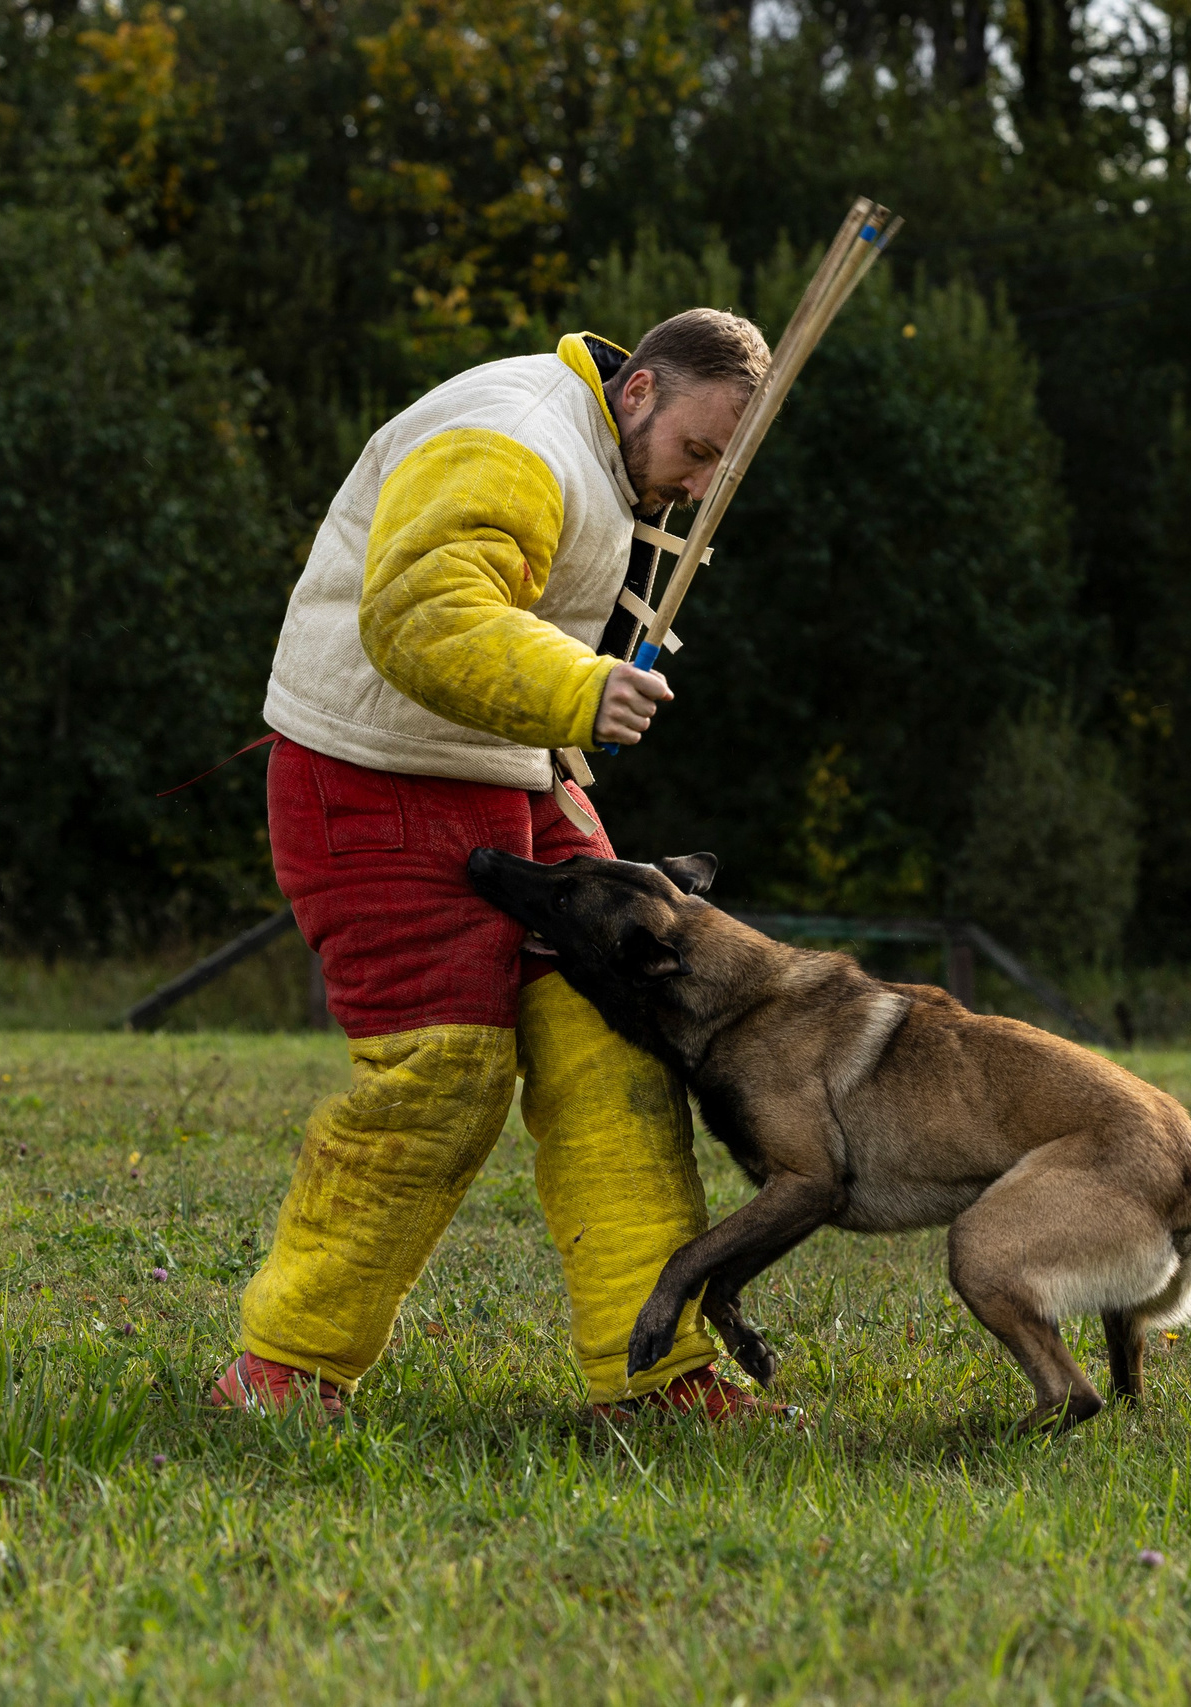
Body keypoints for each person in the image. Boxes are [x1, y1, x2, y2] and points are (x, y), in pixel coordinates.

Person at [206, 310, 775, 1423]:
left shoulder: (604, 454)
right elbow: (422, 610)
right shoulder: (510, 433)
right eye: (696, 453)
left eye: (720, 466)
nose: (698, 486)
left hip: (512, 768)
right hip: (370, 775)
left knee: (620, 1041)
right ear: (640, 389)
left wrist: (577, 679)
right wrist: (579, 688)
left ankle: (654, 1378)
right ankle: (281, 1371)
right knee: (444, 1075)